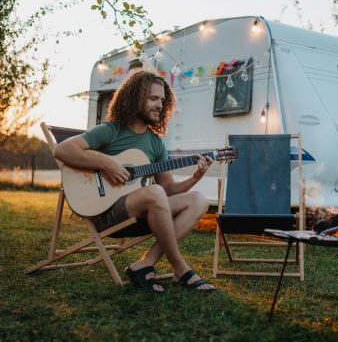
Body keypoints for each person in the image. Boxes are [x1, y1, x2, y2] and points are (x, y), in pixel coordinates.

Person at [53, 69, 216, 293]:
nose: (159, 104)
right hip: (106, 214)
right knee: (155, 192)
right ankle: (181, 268)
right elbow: (62, 150)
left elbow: (168, 188)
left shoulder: (156, 143)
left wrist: (195, 177)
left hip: (143, 213)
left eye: (162, 100)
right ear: (135, 99)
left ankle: (146, 263)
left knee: (199, 199)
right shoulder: (110, 131)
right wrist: (105, 164)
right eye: (153, 99)